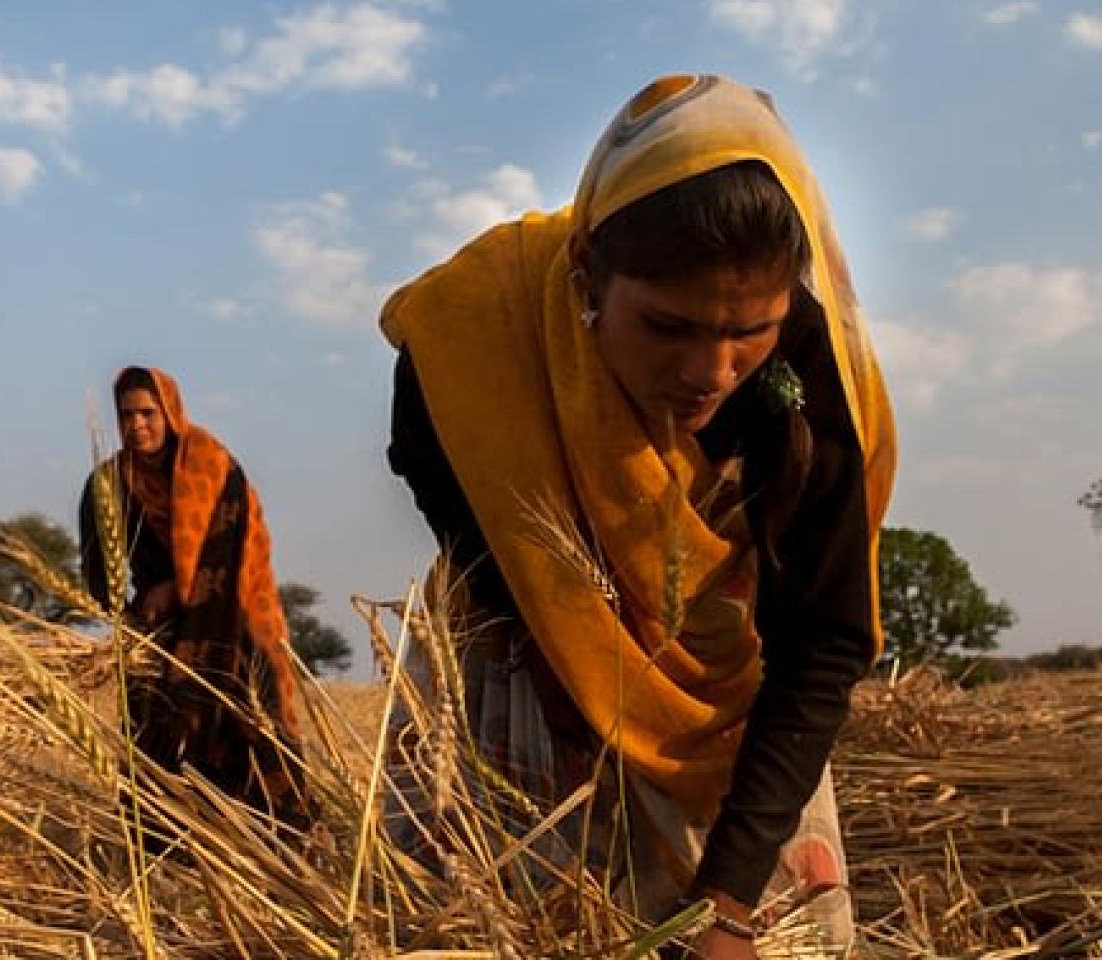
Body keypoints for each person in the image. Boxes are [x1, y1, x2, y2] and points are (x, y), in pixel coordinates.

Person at [379, 75, 896, 958]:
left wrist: (729, 903)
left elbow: (824, 642)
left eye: (752, 331)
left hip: (735, 716)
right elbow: (436, 477)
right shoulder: (476, 330)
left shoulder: (812, 375)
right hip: (520, 669)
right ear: (586, 274)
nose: (713, 368)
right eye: (668, 326)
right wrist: (548, 636)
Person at [79, 366, 309, 828]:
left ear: (170, 412)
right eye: (126, 416)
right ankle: (167, 853)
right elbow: (96, 569)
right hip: (158, 633)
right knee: (157, 738)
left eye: (148, 413)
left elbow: (228, 544)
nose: (136, 425)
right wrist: (127, 619)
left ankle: (278, 846)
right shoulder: (109, 482)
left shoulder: (211, 464)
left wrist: (178, 590)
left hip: (233, 620)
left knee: (251, 726)